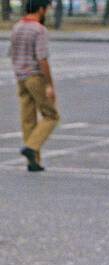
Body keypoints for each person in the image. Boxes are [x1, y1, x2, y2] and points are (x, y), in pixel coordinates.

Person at [9, 0, 59, 172]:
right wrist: (49, 84)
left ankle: (33, 161)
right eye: (46, 9)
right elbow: (42, 58)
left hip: (20, 77)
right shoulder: (39, 29)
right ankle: (32, 147)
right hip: (35, 76)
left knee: (28, 119)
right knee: (51, 116)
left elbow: (12, 54)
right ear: (40, 9)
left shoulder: (17, 27)